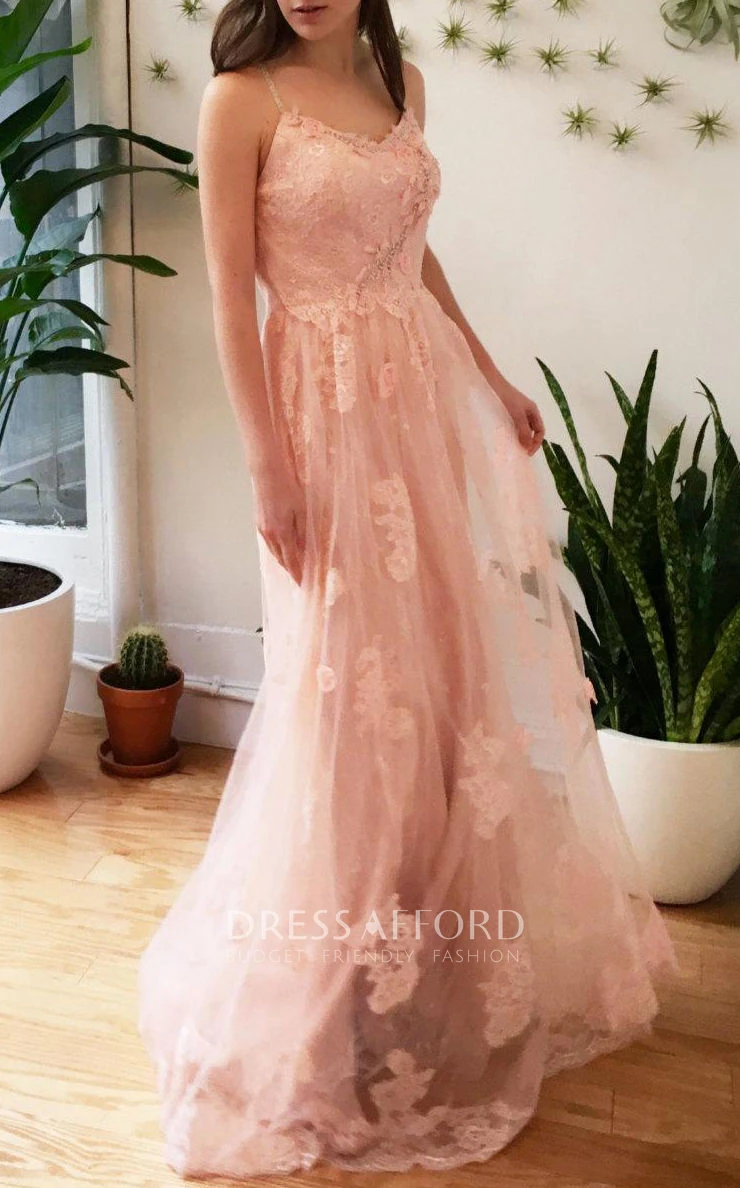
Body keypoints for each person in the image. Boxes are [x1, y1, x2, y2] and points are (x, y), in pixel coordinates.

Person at [138, 0, 678, 1178]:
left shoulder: (403, 86)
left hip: (414, 405)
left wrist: (486, 374)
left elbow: (411, 253)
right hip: (321, 413)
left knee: (437, 670)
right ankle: (328, 978)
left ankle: (417, 951)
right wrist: (266, 468)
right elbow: (229, 293)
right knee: (344, 688)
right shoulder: (241, 100)